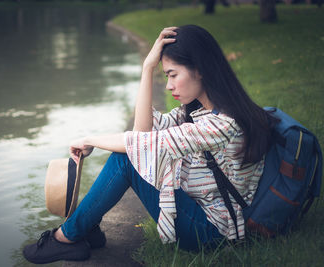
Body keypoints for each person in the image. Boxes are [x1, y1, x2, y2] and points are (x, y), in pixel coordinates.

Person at [23, 24, 277, 264]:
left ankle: (66, 237)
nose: (168, 86)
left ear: (200, 69)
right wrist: (147, 68)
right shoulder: (201, 112)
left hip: (212, 231)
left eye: (173, 75)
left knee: (126, 158)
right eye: (165, 76)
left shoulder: (223, 124)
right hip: (200, 211)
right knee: (130, 154)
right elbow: (142, 132)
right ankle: (84, 229)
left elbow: (142, 145)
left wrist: (90, 140)